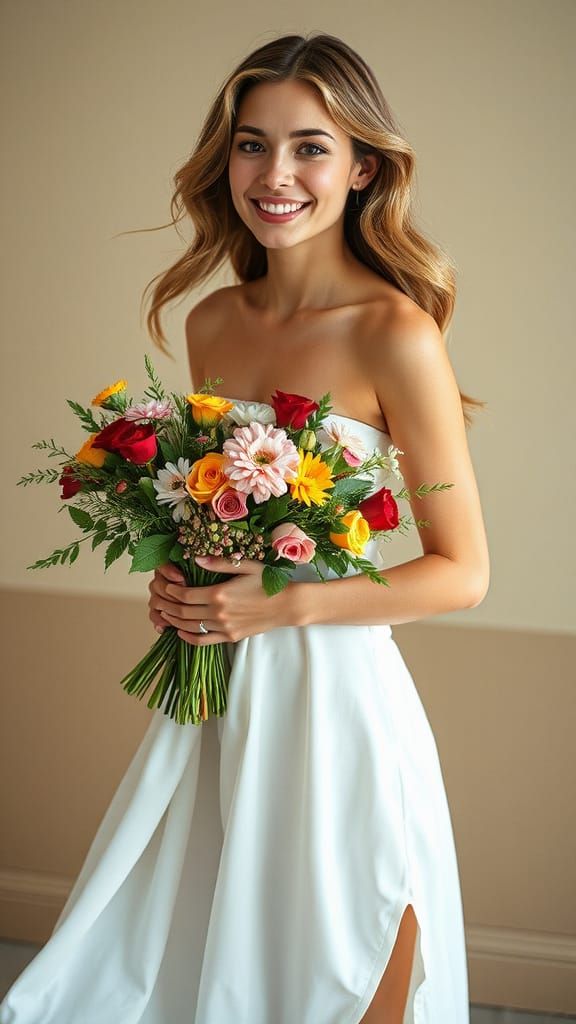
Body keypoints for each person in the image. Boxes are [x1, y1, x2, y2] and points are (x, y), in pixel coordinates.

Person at [0, 31, 489, 1024]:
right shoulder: (213, 322)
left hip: (340, 707)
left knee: (351, 952)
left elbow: (461, 571)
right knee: (195, 961)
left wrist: (282, 603)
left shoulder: (395, 331)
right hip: (216, 704)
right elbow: (215, 507)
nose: (277, 174)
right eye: (252, 144)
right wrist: (180, 584)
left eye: (311, 146)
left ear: (363, 167)